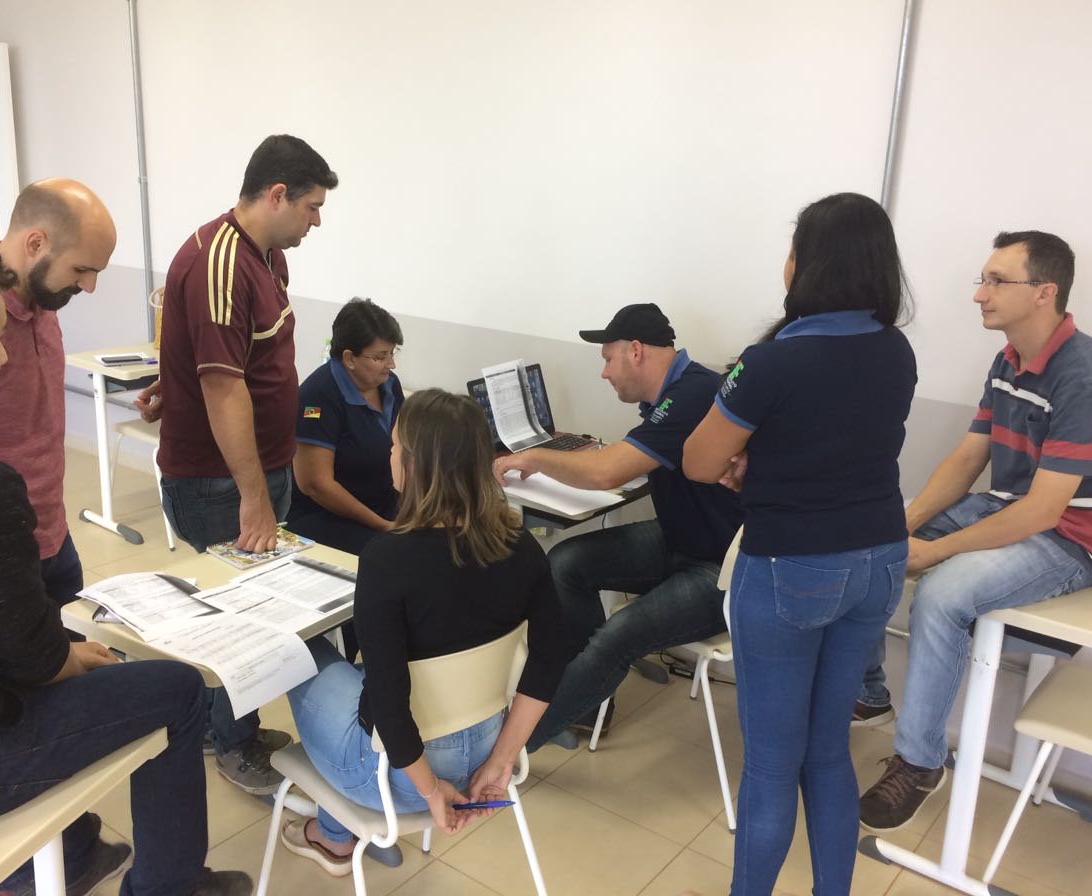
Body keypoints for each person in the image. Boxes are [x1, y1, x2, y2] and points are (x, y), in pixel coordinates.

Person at [0, 233, 250, 896]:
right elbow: (30, 660)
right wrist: (67, 656)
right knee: (175, 689)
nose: (6, 355)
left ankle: (74, 853)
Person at [681, 192, 916, 896]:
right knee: (828, 753)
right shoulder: (895, 350)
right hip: (880, 561)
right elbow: (838, 442)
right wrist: (765, 458)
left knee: (770, 766)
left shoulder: (769, 362)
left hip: (793, 568)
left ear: (808, 264)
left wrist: (748, 459)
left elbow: (698, 461)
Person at [858, 230, 1092, 832]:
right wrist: (902, 526)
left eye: (997, 281)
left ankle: (919, 763)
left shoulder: (1091, 375)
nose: (980, 294)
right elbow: (966, 459)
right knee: (872, 544)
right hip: (1006, 506)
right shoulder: (1007, 361)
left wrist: (934, 552)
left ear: (1044, 292)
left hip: (1075, 539)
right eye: (982, 279)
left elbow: (1044, 512)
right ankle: (870, 692)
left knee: (941, 594)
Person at [277, 389, 567, 878]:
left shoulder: (387, 560)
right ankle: (333, 826)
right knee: (365, 675)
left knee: (300, 651)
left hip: (397, 780)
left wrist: (431, 793)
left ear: (414, 466)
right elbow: (551, 656)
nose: (389, 455)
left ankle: (332, 836)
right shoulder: (521, 545)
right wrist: (501, 760)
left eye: (394, 447)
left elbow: (389, 708)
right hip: (486, 752)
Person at [155, 134, 337, 795]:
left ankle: (219, 725)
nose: (317, 222)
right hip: (219, 481)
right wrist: (253, 497)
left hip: (260, 464)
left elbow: (232, 357)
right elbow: (223, 387)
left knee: (249, 603)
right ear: (277, 194)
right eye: (312, 208)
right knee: (241, 617)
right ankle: (234, 745)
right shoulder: (219, 263)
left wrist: (170, 383)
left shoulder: (267, 255)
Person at [492, 304, 743, 751]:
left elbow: (607, 473)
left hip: (719, 570)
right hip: (680, 539)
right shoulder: (673, 393)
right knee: (565, 562)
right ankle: (585, 702)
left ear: (636, 351)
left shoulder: (692, 393)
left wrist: (534, 457)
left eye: (608, 359)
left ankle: (510, 750)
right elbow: (626, 463)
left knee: (616, 637)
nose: (605, 373)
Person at [0, 178, 115, 607]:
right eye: (81, 270)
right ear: (36, 243)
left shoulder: (45, 295)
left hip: (54, 533)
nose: (89, 286)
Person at [286, 297, 405, 553]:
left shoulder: (389, 384)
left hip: (381, 503)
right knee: (393, 553)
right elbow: (316, 485)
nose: (391, 364)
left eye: (392, 353)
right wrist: (383, 526)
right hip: (327, 516)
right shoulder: (317, 397)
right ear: (349, 358)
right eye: (381, 356)